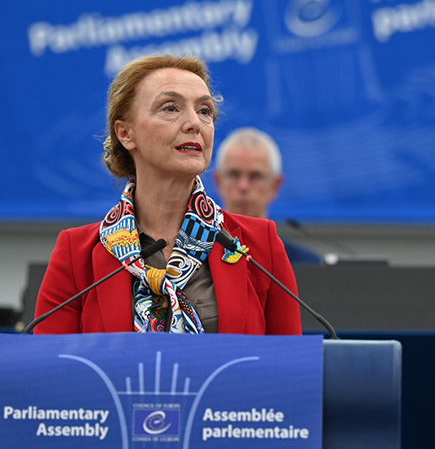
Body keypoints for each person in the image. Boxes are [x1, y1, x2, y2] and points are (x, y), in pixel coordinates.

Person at [33, 54, 302, 335]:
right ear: (126, 133)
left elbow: (291, 370)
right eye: (171, 108)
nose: (194, 124)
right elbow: (50, 372)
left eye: (205, 111)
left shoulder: (259, 245)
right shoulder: (76, 254)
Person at [213, 127, 323, 264]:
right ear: (218, 182)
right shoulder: (196, 259)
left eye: (255, 176)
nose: (243, 186)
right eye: (234, 175)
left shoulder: (306, 264)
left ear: (275, 186)